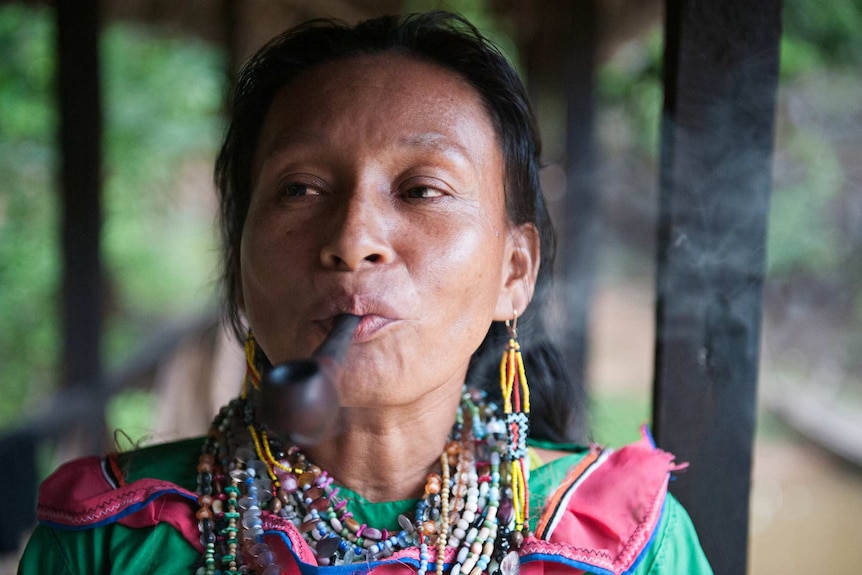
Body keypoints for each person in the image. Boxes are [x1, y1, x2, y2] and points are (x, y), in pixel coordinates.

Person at [18, 12, 713, 575]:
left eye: (421, 189)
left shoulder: (629, 545)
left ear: (514, 272)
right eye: (300, 189)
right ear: (240, 256)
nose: (353, 238)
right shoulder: (107, 542)